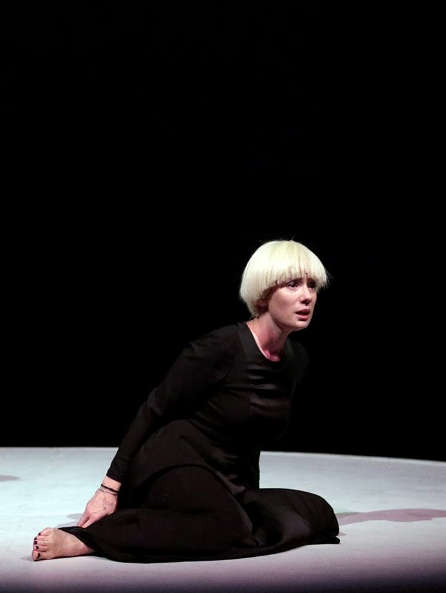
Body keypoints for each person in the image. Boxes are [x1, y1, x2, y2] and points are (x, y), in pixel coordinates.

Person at [32, 238, 340, 562]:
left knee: (319, 513)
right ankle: (88, 540)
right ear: (264, 293)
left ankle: (221, 525)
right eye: (292, 285)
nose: (307, 296)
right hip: (175, 463)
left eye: (311, 285)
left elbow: (252, 435)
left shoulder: (296, 359)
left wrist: (249, 498)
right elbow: (154, 409)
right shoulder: (222, 347)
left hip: (228, 478)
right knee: (228, 527)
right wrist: (109, 490)